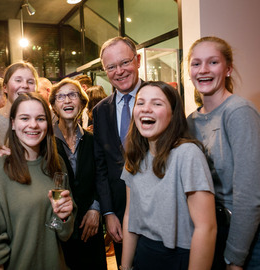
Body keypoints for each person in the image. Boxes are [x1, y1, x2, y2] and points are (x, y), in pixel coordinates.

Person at [0, 92, 75, 270]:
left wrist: (65, 217)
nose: (33, 125)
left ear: (48, 124)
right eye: (24, 118)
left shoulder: (56, 165)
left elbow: (64, 233)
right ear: (12, 123)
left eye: (40, 119)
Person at [120, 81, 217, 270]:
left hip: (178, 258)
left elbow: (206, 228)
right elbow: (130, 217)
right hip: (144, 254)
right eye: (140, 103)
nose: (146, 109)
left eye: (157, 103)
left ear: (173, 115)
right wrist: (124, 267)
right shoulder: (135, 156)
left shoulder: (187, 154)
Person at [187, 36, 260, 270]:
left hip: (242, 237)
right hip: (210, 232)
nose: (203, 70)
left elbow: (249, 195)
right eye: (196, 63)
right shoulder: (190, 121)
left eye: (213, 62)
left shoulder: (238, 112)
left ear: (228, 69)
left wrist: (235, 258)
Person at [92, 36, 143, 266]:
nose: (119, 71)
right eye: (111, 67)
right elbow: (100, 166)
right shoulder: (100, 111)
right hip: (120, 214)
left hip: (160, 211)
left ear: (138, 60)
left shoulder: (163, 98)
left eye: (125, 63)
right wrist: (108, 213)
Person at [49, 78, 107, 270]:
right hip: (59, 226)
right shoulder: (45, 142)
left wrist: (95, 209)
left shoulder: (93, 139)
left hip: (90, 224)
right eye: (61, 97)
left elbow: (102, 176)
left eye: (73, 95)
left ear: (82, 103)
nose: (67, 100)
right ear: (54, 106)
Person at [0, 61, 39, 143]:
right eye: (18, 80)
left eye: (30, 82)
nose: (25, 85)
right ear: (5, 87)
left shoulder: (41, 121)